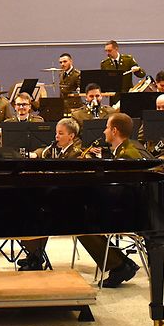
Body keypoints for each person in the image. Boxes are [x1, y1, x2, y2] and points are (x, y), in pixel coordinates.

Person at [77, 113, 145, 286]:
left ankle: (119, 266)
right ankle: (123, 263)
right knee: (82, 216)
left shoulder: (126, 155)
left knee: (78, 223)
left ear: (114, 131)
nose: (104, 131)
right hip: (124, 207)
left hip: (128, 213)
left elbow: (119, 193)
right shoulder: (124, 150)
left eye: (107, 127)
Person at [18, 118, 85, 270]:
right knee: (32, 209)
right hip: (56, 198)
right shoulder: (57, 150)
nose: (56, 136)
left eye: (61, 133)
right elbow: (42, 151)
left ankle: (35, 257)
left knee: (36, 213)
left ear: (71, 136)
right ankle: (34, 255)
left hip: (68, 201)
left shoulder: (76, 154)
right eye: (56, 133)